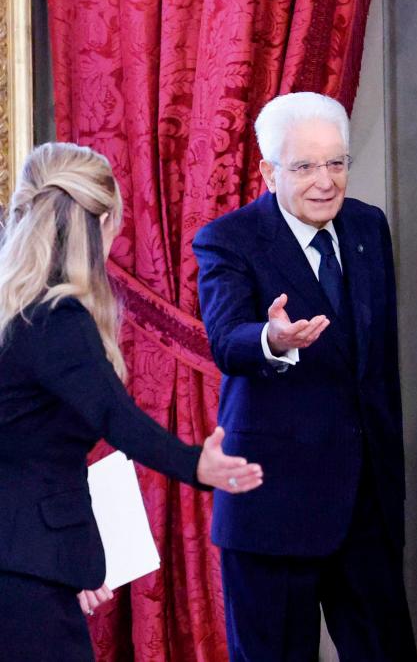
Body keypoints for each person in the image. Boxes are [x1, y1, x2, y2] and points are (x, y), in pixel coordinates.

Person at [0, 142, 262, 662]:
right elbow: (114, 416)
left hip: (28, 561)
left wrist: (65, 559)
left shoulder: (15, 311)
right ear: (101, 225)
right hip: (24, 572)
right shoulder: (55, 316)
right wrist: (196, 465)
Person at [193, 92, 417, 661]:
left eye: (336, 163)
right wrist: (272, 340)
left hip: (366, 506)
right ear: (269, 172)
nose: (325, 181)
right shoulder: (229, 238)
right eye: (305, 166)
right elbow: (226, 339)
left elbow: (378, 365)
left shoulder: (369, 226)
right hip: (274, 506)